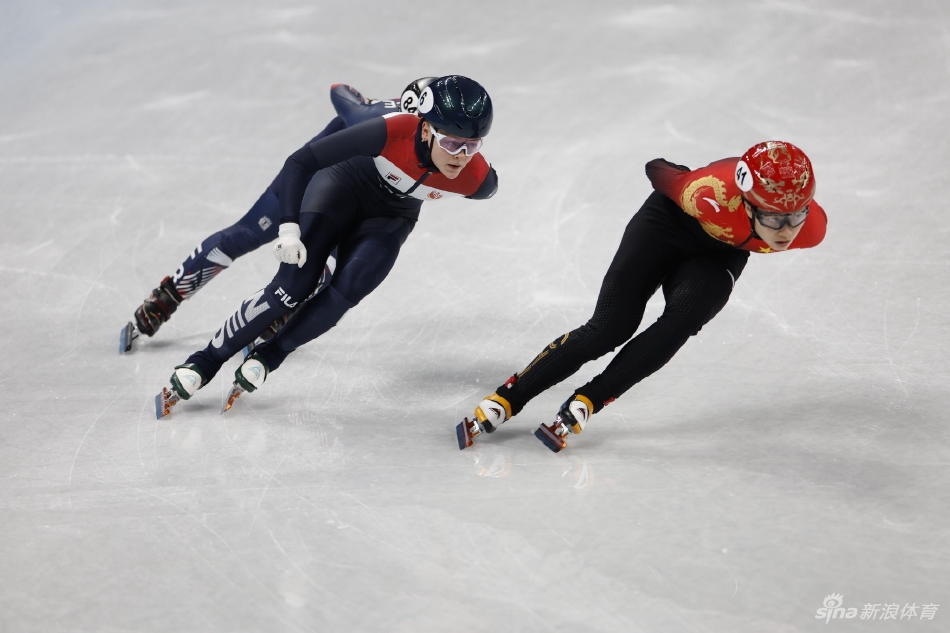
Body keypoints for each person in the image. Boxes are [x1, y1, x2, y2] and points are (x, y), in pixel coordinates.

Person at [156, 75, 498, 417]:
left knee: (352, 284)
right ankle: (199, 352)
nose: (461, 157)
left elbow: (473, 169)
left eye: (472, 146)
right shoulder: (382, 127)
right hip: (336, 181)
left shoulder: (479, 180)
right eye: (453, 144)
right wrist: (289, 227)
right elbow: (314, 139)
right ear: (425, 130)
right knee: (278, 266)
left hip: (388, 218)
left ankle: (271, 354)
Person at [458, 141, 827, 452]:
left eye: (796, 216)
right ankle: (510, 396)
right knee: (610, 327)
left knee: (685, 318)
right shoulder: (704, 192)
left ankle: (592, 397)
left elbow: (792, 219)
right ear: (746, 204)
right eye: (775, 219)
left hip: (719, 254)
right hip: (668, 224)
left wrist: (784, 217)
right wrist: (677, 172)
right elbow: (658, 169)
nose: (787, 231)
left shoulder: (810, 229)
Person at [123, 78, 438, 352]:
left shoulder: (441, 145)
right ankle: (167, 297)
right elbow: (340, 91)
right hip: (316, 179)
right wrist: (365, 104)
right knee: (248, 234)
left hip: (359, 199)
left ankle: (279, 315)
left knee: (329, 266)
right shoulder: (383, 117)